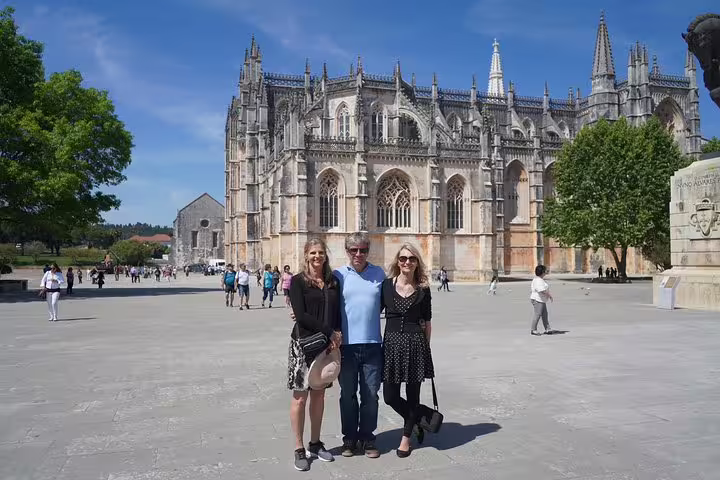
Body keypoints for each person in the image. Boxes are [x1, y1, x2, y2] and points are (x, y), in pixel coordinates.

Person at [287, 238, 343, 471]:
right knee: (300, 397)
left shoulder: (332, 281)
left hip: (326, 345)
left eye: (320, 253)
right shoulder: (297, 282)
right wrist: (330, 332)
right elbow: (301, 315)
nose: (317, 257)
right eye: (313, 253)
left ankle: (315, 443)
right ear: (306, 255)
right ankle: (299, 448)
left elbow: (338, 311)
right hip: (302, 344)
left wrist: (336, 336)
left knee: (319, 396)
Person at [334, 232, 386, 459]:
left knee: (371, 395)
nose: (358, 254)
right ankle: (349, 439)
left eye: (363, 250)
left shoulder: (379, 274)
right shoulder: (338, 275)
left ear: (368, 251)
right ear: (347, 251)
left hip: (373, 345)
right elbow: (324, 302)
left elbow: (391, 302)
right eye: (354, 250)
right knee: (348, 395)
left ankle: (367, 438)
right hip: (346, 347)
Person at [381, 243, 434, 457]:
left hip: (415, 345)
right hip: (392, 346)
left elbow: (428, 321)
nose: (407, 262)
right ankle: (416, 420)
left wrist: (426, 348)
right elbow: (371, 309)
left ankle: (405, 439)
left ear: (417, 262)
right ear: (397, 261)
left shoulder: (424, 289)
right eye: (403, 258)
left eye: (412, 259)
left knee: (413, 395)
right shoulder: (386, 286)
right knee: (390, 396)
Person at [530, 265, 554, 336]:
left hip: (541, 300)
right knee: (538, 314)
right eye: (545, 271)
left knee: (544, 314)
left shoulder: (539, 279)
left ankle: (547, 329)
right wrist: (549, 295)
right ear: (542, 272)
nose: (546, 272)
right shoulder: (538, 280)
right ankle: (533, 329)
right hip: (537, 300)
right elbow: (541, 290)